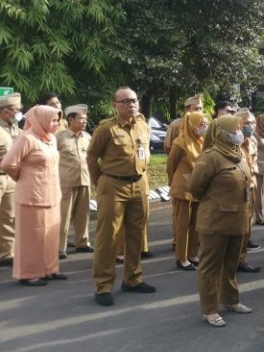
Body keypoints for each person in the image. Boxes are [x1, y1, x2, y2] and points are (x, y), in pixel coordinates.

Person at [87, 87, 155, 307]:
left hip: (139, 184)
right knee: (108, 237)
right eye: (125, 101)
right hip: (113, 185)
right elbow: (91, 157)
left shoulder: (143, 125)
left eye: (134, 100)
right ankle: (103, 286)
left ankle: (133, 279)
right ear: (115, 105)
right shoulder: (106, 128)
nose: (131, 104)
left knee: (136, 234)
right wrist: (100, 182)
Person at [190, 116, 253, 327]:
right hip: (215, 222)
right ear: (221, 132)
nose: (239, 131)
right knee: (210, 266)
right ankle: (209, 309)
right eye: (235, 128)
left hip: (238, 220)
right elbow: (196, 187)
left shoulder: (239, 153)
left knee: (231, 264)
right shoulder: (211, 157)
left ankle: (230, 300)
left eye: (239, 127)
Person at [1, 105, 64, 285]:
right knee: (32, 237)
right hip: (32, 194)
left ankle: (50, 269)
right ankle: (29, 274)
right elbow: (7, 164)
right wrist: (22, 177)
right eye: (53, 120)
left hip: (52, 193)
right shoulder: (27, 138)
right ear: (41, 120)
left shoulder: (51, 139)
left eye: (57, 120)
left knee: (50, 234)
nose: (56, 124)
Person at [166, 111, 207, 270]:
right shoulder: (180, 142)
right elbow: (171, 165)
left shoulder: (202, 141)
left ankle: (192, 254)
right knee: (182, 224)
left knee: (196, 224)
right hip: (182, 188)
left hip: (197, 187)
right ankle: (181, 258)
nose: (204, 127)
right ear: (191, 125)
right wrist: (173, 183)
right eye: (201, 124)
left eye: (205, 124)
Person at [56, 104, 92, 258]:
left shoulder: (88, 137)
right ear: (71, 120)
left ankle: (82, 243)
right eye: (80, 118)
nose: (84, 121)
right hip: (66, 182)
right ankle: (59, 248)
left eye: (85, 118)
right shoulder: (59, 137)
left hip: (84, 179)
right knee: (63, 216)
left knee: (83, 214)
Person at [233, 108, 260, 272]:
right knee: (238, 226)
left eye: (252, 122)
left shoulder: (251, 142)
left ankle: (242, 258)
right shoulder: (233, 143)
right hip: (237, 191)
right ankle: (236, 259)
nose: (251, 125)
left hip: (250, 187)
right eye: (247, 122)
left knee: (247, 226)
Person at [0, 92, 23, 267]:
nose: (19, 113)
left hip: (11, 178)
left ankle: (7, 253)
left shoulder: (16, 129)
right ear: (5, 111)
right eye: (16, 110)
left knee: (9, 216)